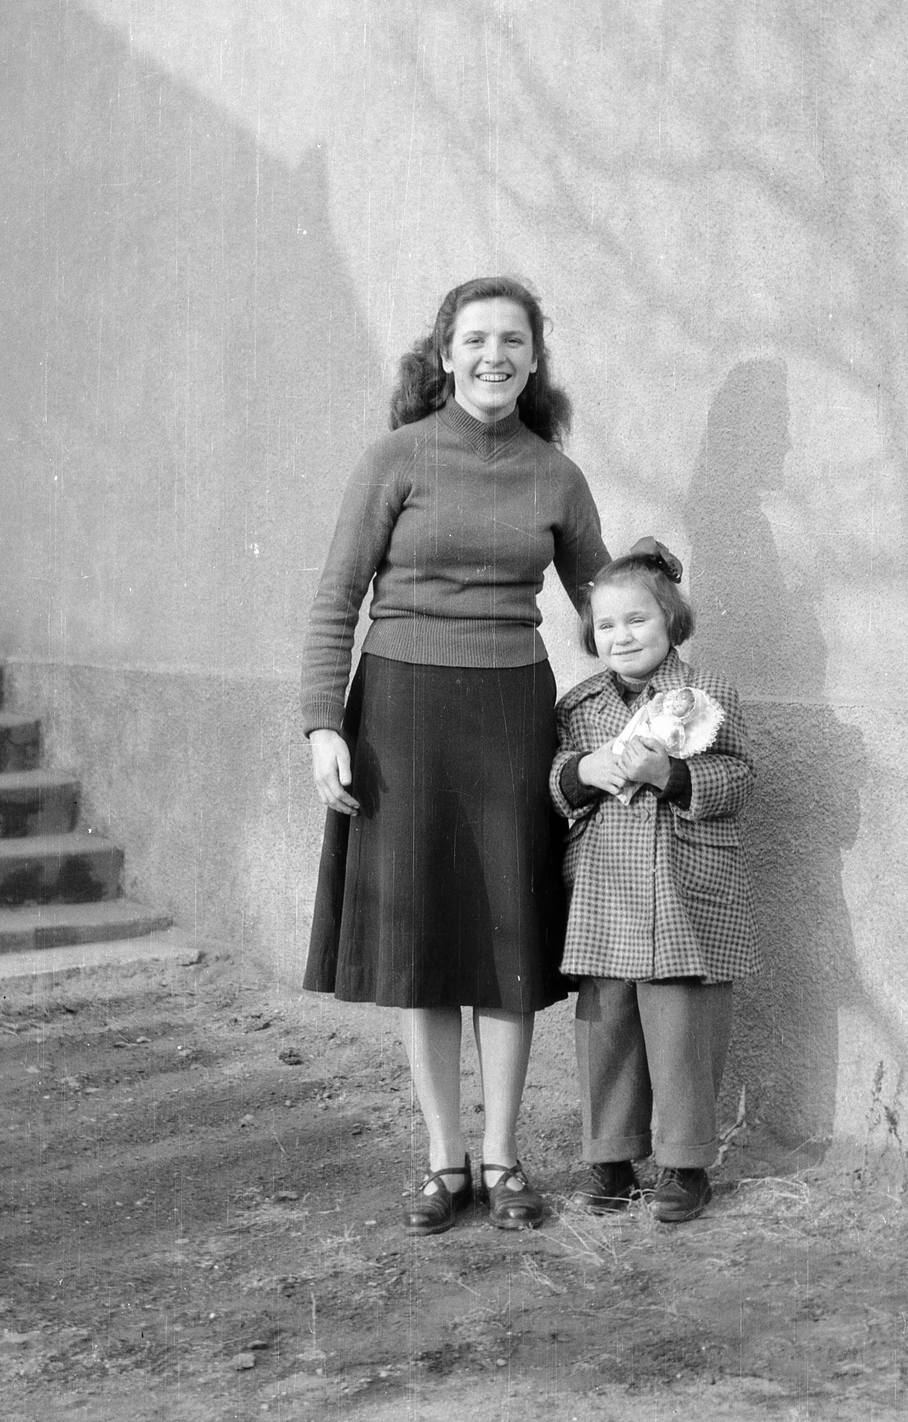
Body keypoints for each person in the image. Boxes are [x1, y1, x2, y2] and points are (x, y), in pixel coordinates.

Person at [300, 276, 610, 1235]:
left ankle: (504, 1159)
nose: (494, 356)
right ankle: (445, 1165)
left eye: (512, 340)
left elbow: (607, 607)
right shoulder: (395, 459)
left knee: (506, 944)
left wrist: (660, 661)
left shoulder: (555, 476)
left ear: (533, 356)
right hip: (399, 717)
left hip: (512, 717)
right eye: (475, 339)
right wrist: (324, 727)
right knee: (426, 948)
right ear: (444, 355)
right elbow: (335, 600)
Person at [550, 540, 757, 1223]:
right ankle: (610, 1157)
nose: (621, 636)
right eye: (606, 626)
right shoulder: (579, 707)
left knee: (679, 1025)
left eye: (636, 619)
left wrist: (668, 774)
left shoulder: (705, 696)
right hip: (606, 888)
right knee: (605, 1022)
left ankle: (685, 1163)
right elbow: (552, 782)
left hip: (679, 885)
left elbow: (739, 778)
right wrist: (579, 774)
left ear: (670, 620)